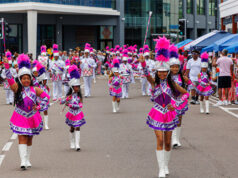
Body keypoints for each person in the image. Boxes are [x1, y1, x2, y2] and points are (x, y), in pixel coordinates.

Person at [139, 37, 188, 178]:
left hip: (170, 114)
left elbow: (185, 94)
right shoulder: (154, 82)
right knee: (160, 140)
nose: (161, 73)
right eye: (159, 71)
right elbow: (147, 74)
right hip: (157, 113)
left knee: (167, 142)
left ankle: (166, 165)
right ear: (157, 72)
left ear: (167, 72)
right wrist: (143, 62)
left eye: (164, 71)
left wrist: (175, 105)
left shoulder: (172, 83)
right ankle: (160, 169)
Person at [3, 54, 50, 170]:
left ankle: (27, 159)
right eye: (24, 78)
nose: (26, 80)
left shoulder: (36, 89)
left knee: (29, 138)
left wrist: (39, 107)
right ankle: (23, 160)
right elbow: (9, 79)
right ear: (20, 79)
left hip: (32, 117)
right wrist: (6, 66)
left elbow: (46, 97)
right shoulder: (17, 88)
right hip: (20, 116)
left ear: (31, 79)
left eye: (28, 78)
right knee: (22, 137)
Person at [169, 45, 191, 148]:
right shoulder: (166, 76)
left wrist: (188, 83)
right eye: (172, 66)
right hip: (170, 100)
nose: (175, 68)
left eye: (176, 66)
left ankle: (176, 139)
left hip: (180, 101)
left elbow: (190, 86)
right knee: (171, 119)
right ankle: (172, 138)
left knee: (179, 119)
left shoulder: (182, 77)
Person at [60, 65, 85, 151]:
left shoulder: (79, 96)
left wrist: (71, 105)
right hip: (71, 114)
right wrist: (66, 99)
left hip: (78, 113)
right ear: (72, 87)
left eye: (78, 86)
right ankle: (72, 142)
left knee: (78, 127)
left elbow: (80, 105)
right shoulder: (69, 95)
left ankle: (77, 144)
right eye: (76, 87)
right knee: (71, 128)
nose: (77, 88)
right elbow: (61, 102)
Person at [36, 62, 51, 129]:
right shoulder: (37, 86)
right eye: (44, 80)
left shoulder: (46, 87)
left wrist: (48, 100)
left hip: (45, 101)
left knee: (45, 111)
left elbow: (48, 93)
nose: (46, 82)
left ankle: (46, 125)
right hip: (38, 101)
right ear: (41, 81)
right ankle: (39, 124)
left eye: (46, 80)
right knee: (38, 112)